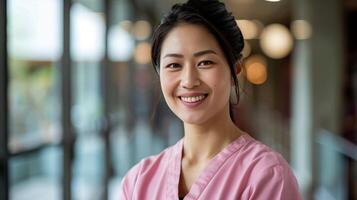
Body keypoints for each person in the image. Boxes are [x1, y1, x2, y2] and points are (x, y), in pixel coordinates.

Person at [119, 0, 302, 199]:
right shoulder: (138, 181)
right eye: (173, 65)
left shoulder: (267, 177)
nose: (189, 81)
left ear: (235, 69)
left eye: (205, 62)